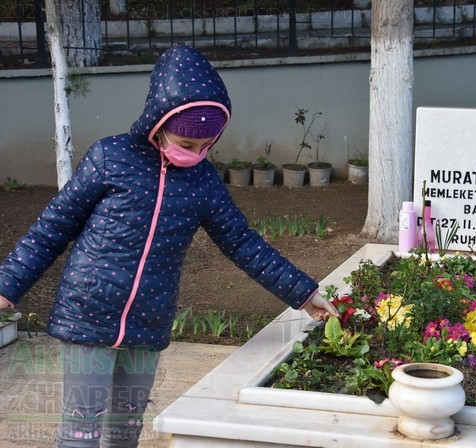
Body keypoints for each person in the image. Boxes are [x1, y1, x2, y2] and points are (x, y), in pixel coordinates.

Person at [0, 45, 339, 448]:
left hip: (149, 318)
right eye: (185, 143)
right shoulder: (110, 158)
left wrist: (305, 293)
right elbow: (52, 228)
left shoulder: (204, 183)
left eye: (206, 146)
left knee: (126, 428)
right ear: (157, 123)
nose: (195, 154)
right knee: (81, 430)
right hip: (87, 311)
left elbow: (244, 244)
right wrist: (7, 285)